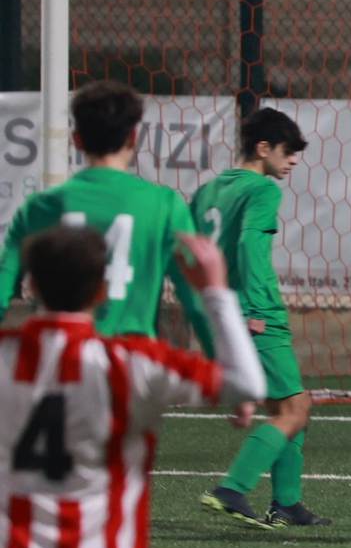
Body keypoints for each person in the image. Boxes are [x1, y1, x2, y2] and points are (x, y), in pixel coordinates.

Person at [0, 226, 266, 548]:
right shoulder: (131, 363)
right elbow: (247, 383)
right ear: (102, 291)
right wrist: (215, 292)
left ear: (31, 286)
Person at [0, 80, 215, 355]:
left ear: (76, 140)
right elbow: (197, 301)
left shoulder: (40, 207)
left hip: (63, 360)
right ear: (133, 138)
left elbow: (3, 288)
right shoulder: (165, 205)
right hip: (132, 361)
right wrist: (225, 364)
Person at [191, 108, 329, 528]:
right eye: (288, 152)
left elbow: (191, 254)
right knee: (295, 408)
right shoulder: (263, 190)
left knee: (289, 405)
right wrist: (253, 310)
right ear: (263, 148)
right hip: (255, 310)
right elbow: (250, 244)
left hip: (218, 309)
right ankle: (233, 488)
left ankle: (287, 503)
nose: (294, 161)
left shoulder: (208, 191)